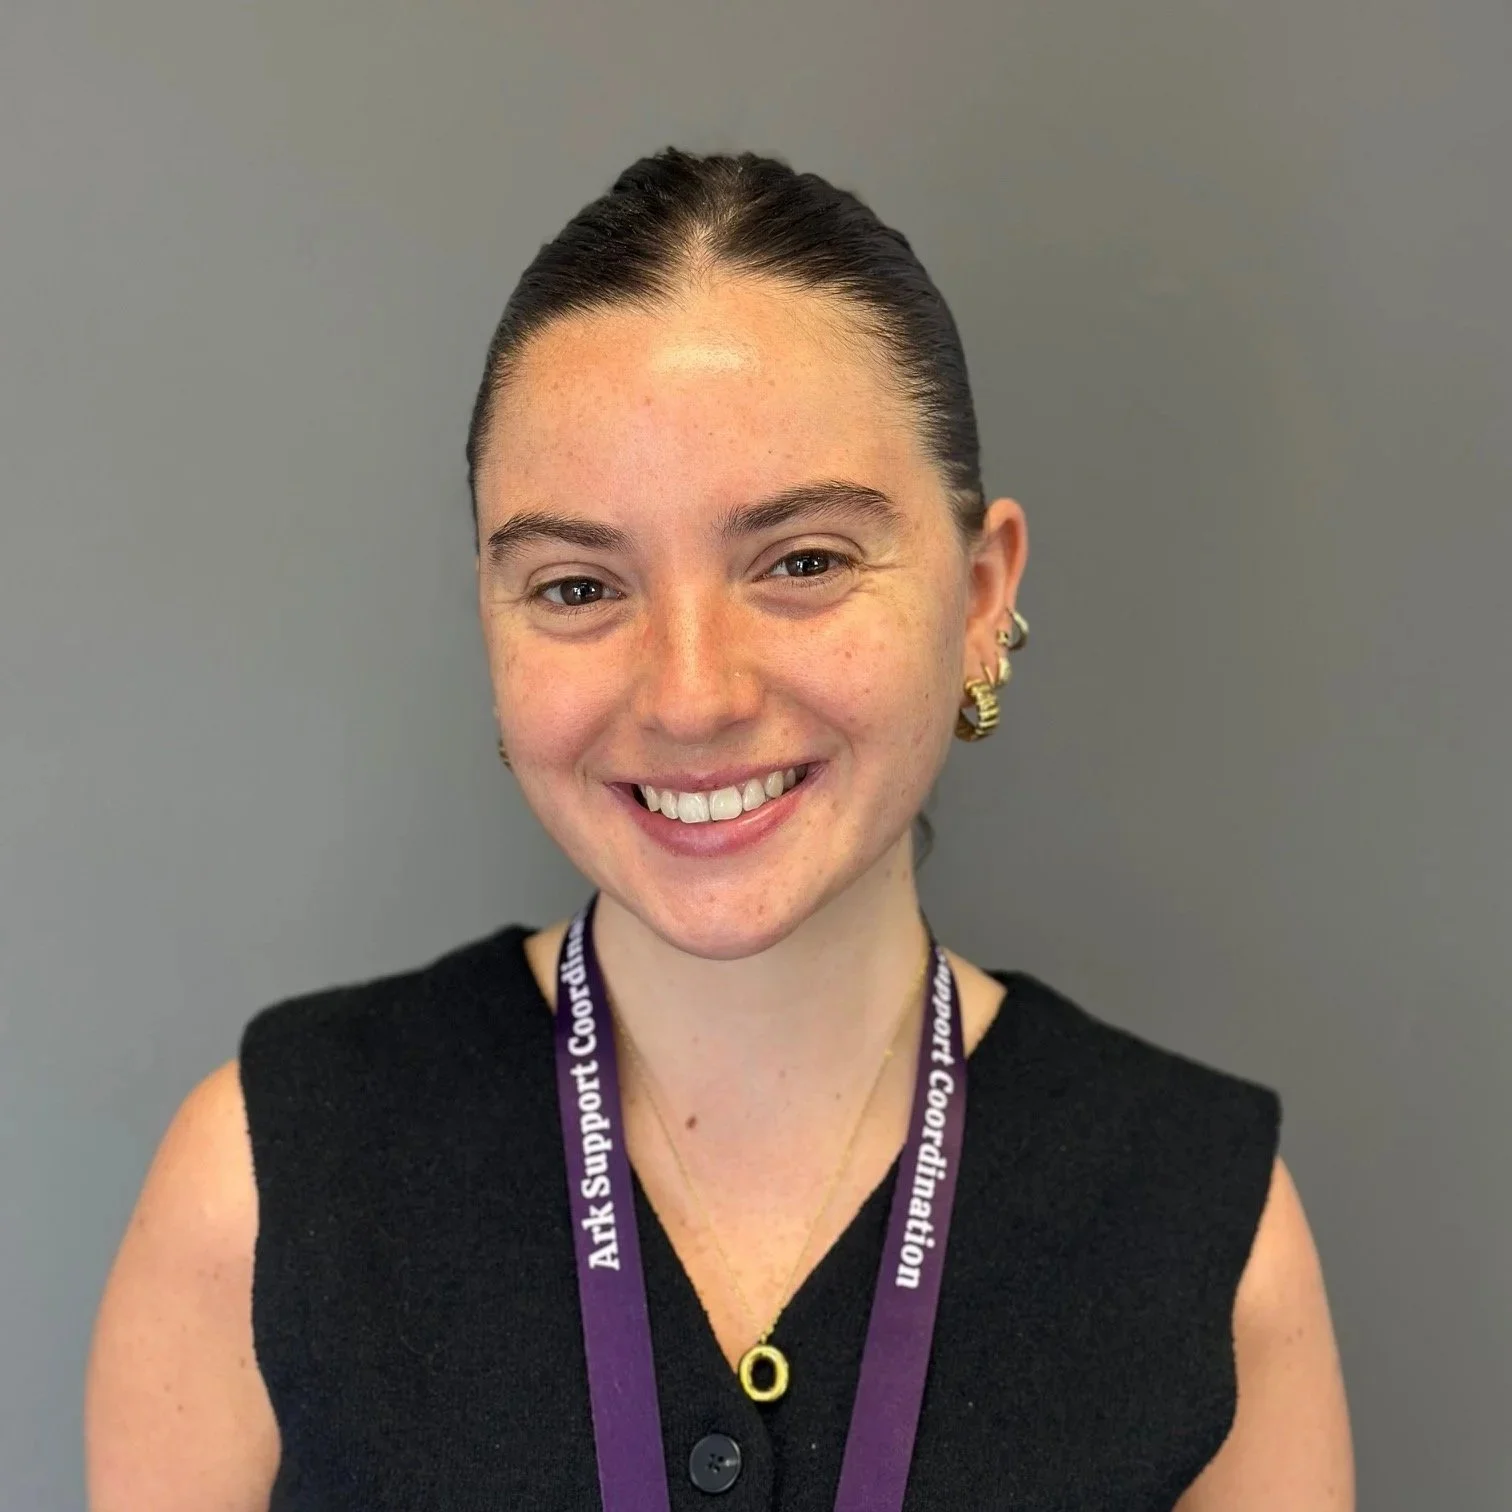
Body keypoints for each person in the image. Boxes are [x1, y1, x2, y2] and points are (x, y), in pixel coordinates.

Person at [85, 149, 1354, 1511]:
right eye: (578, 586)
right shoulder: (265, 1181)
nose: (691, 697)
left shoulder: (1204, 1224)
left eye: (802, 562)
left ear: (983, 599)